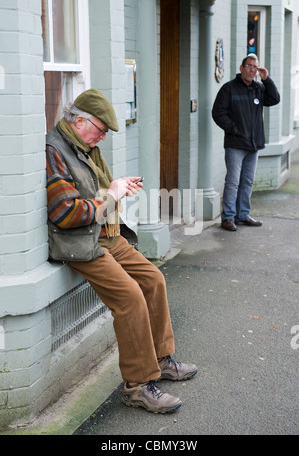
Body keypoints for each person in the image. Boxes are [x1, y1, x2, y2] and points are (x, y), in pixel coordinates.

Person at [46, 88, 197, 414]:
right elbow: (64, 213)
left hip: (106, 235)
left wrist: (117, 189)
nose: (102, 137)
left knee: (153, 279)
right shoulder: (55, 150)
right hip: (80, 243)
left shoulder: (83, 146)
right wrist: (111, 196)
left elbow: (97, 194)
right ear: (79, 121)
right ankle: (137, 385)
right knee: (130, 298)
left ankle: (161, 358)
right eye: (100, 130)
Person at [212, 54, 280, 231]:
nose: (252, 70)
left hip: (253, 144)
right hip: (235, 144)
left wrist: (267, 79)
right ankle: (228, 217)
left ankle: (242, 215)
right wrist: (234, 129)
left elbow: (274, 99)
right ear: (241, 68)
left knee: (247, 181)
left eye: (255, 67)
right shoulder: (229, 89)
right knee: (233, 181)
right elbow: (218, 113)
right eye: (249, 66)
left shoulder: (258, 88)